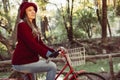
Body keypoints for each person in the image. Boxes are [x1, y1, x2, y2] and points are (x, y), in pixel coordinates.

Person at [11, 1, 60, 80]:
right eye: (29, 10)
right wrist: (47, 54)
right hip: (22, 62)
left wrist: (52, 51)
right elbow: (32, 45)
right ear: (25, 13)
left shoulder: (33, 27)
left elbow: (40, 43)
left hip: (30, 61)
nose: (33, 12)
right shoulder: (22, 25)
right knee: (52, 66)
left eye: (33, 10)